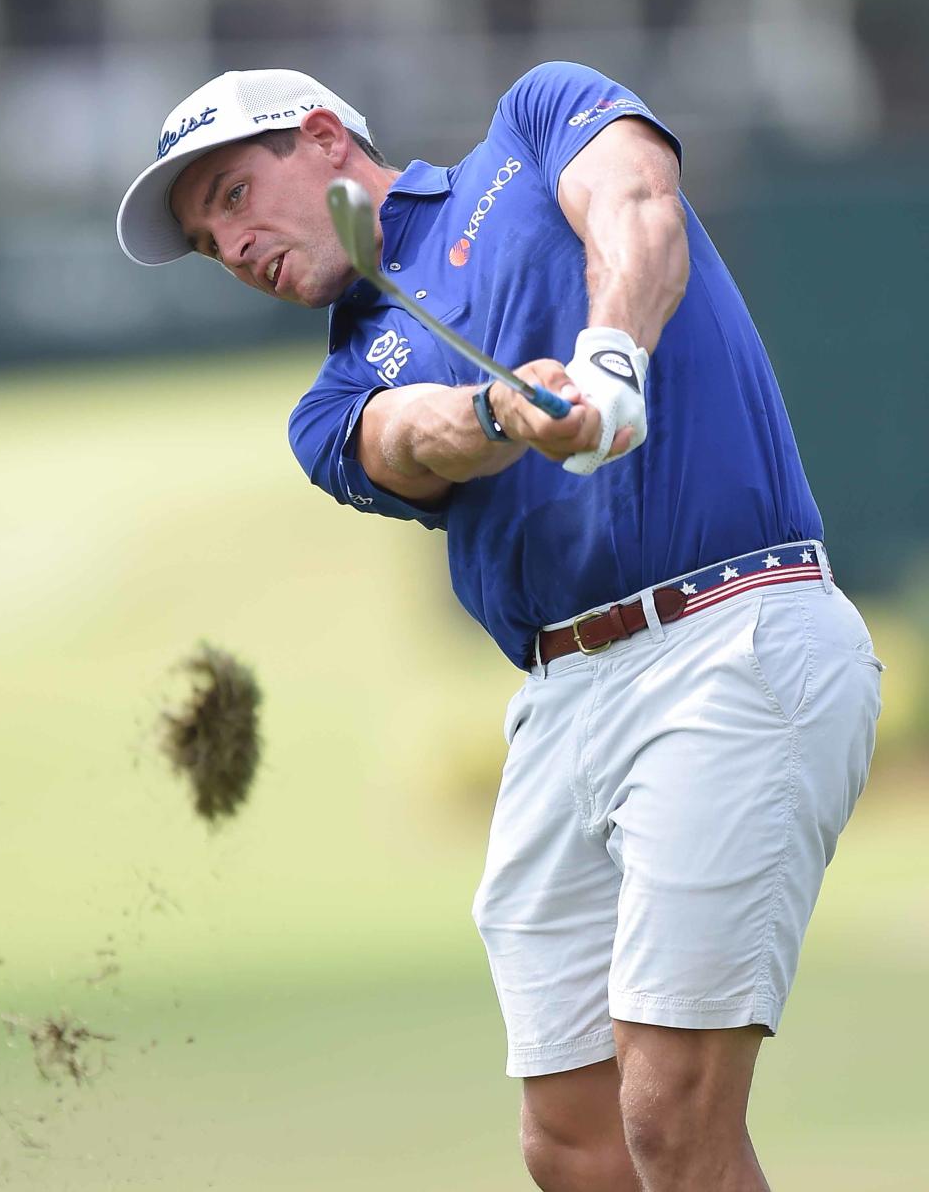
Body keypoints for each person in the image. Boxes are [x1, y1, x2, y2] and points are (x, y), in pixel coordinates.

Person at [117, 62, 883, 1191]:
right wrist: (499, 409)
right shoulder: (328, 398)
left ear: (325, 138)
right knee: (571, 1142)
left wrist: (611, 354)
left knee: (669, 1110)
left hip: (728, 635)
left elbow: (636, 202)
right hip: (563, 704)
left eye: (232, 194)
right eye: (205, 240)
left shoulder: (531, 126)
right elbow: (408, 437)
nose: (230, 246)